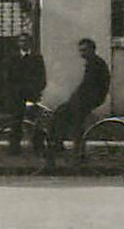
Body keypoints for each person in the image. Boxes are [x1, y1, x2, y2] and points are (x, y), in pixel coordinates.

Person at [46, 37, 110, 170]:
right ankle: (69, 148)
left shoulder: (95, 64)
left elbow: (88, 85)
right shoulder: (94, 62)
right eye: (80, 50)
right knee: (63, 113)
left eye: (85, 50)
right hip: (90, 97)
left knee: (66, 116)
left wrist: (75, 97)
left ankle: (71, 152)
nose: (82, 53)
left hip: (91, 98)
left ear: (92, 50)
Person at [4, 33, 47, 154]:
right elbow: (8, 78)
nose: (24, 43)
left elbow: (42, 78)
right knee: (16, 122)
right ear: (18, 43)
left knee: (35, 123)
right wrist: (14, 90)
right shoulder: (12, 59)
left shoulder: (37, 58)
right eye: (21, 41)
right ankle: (14, 149)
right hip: (17, 97)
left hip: (32, 96)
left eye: (26, 41)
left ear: (30, 43)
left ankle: (38, 148)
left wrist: (35, 90)